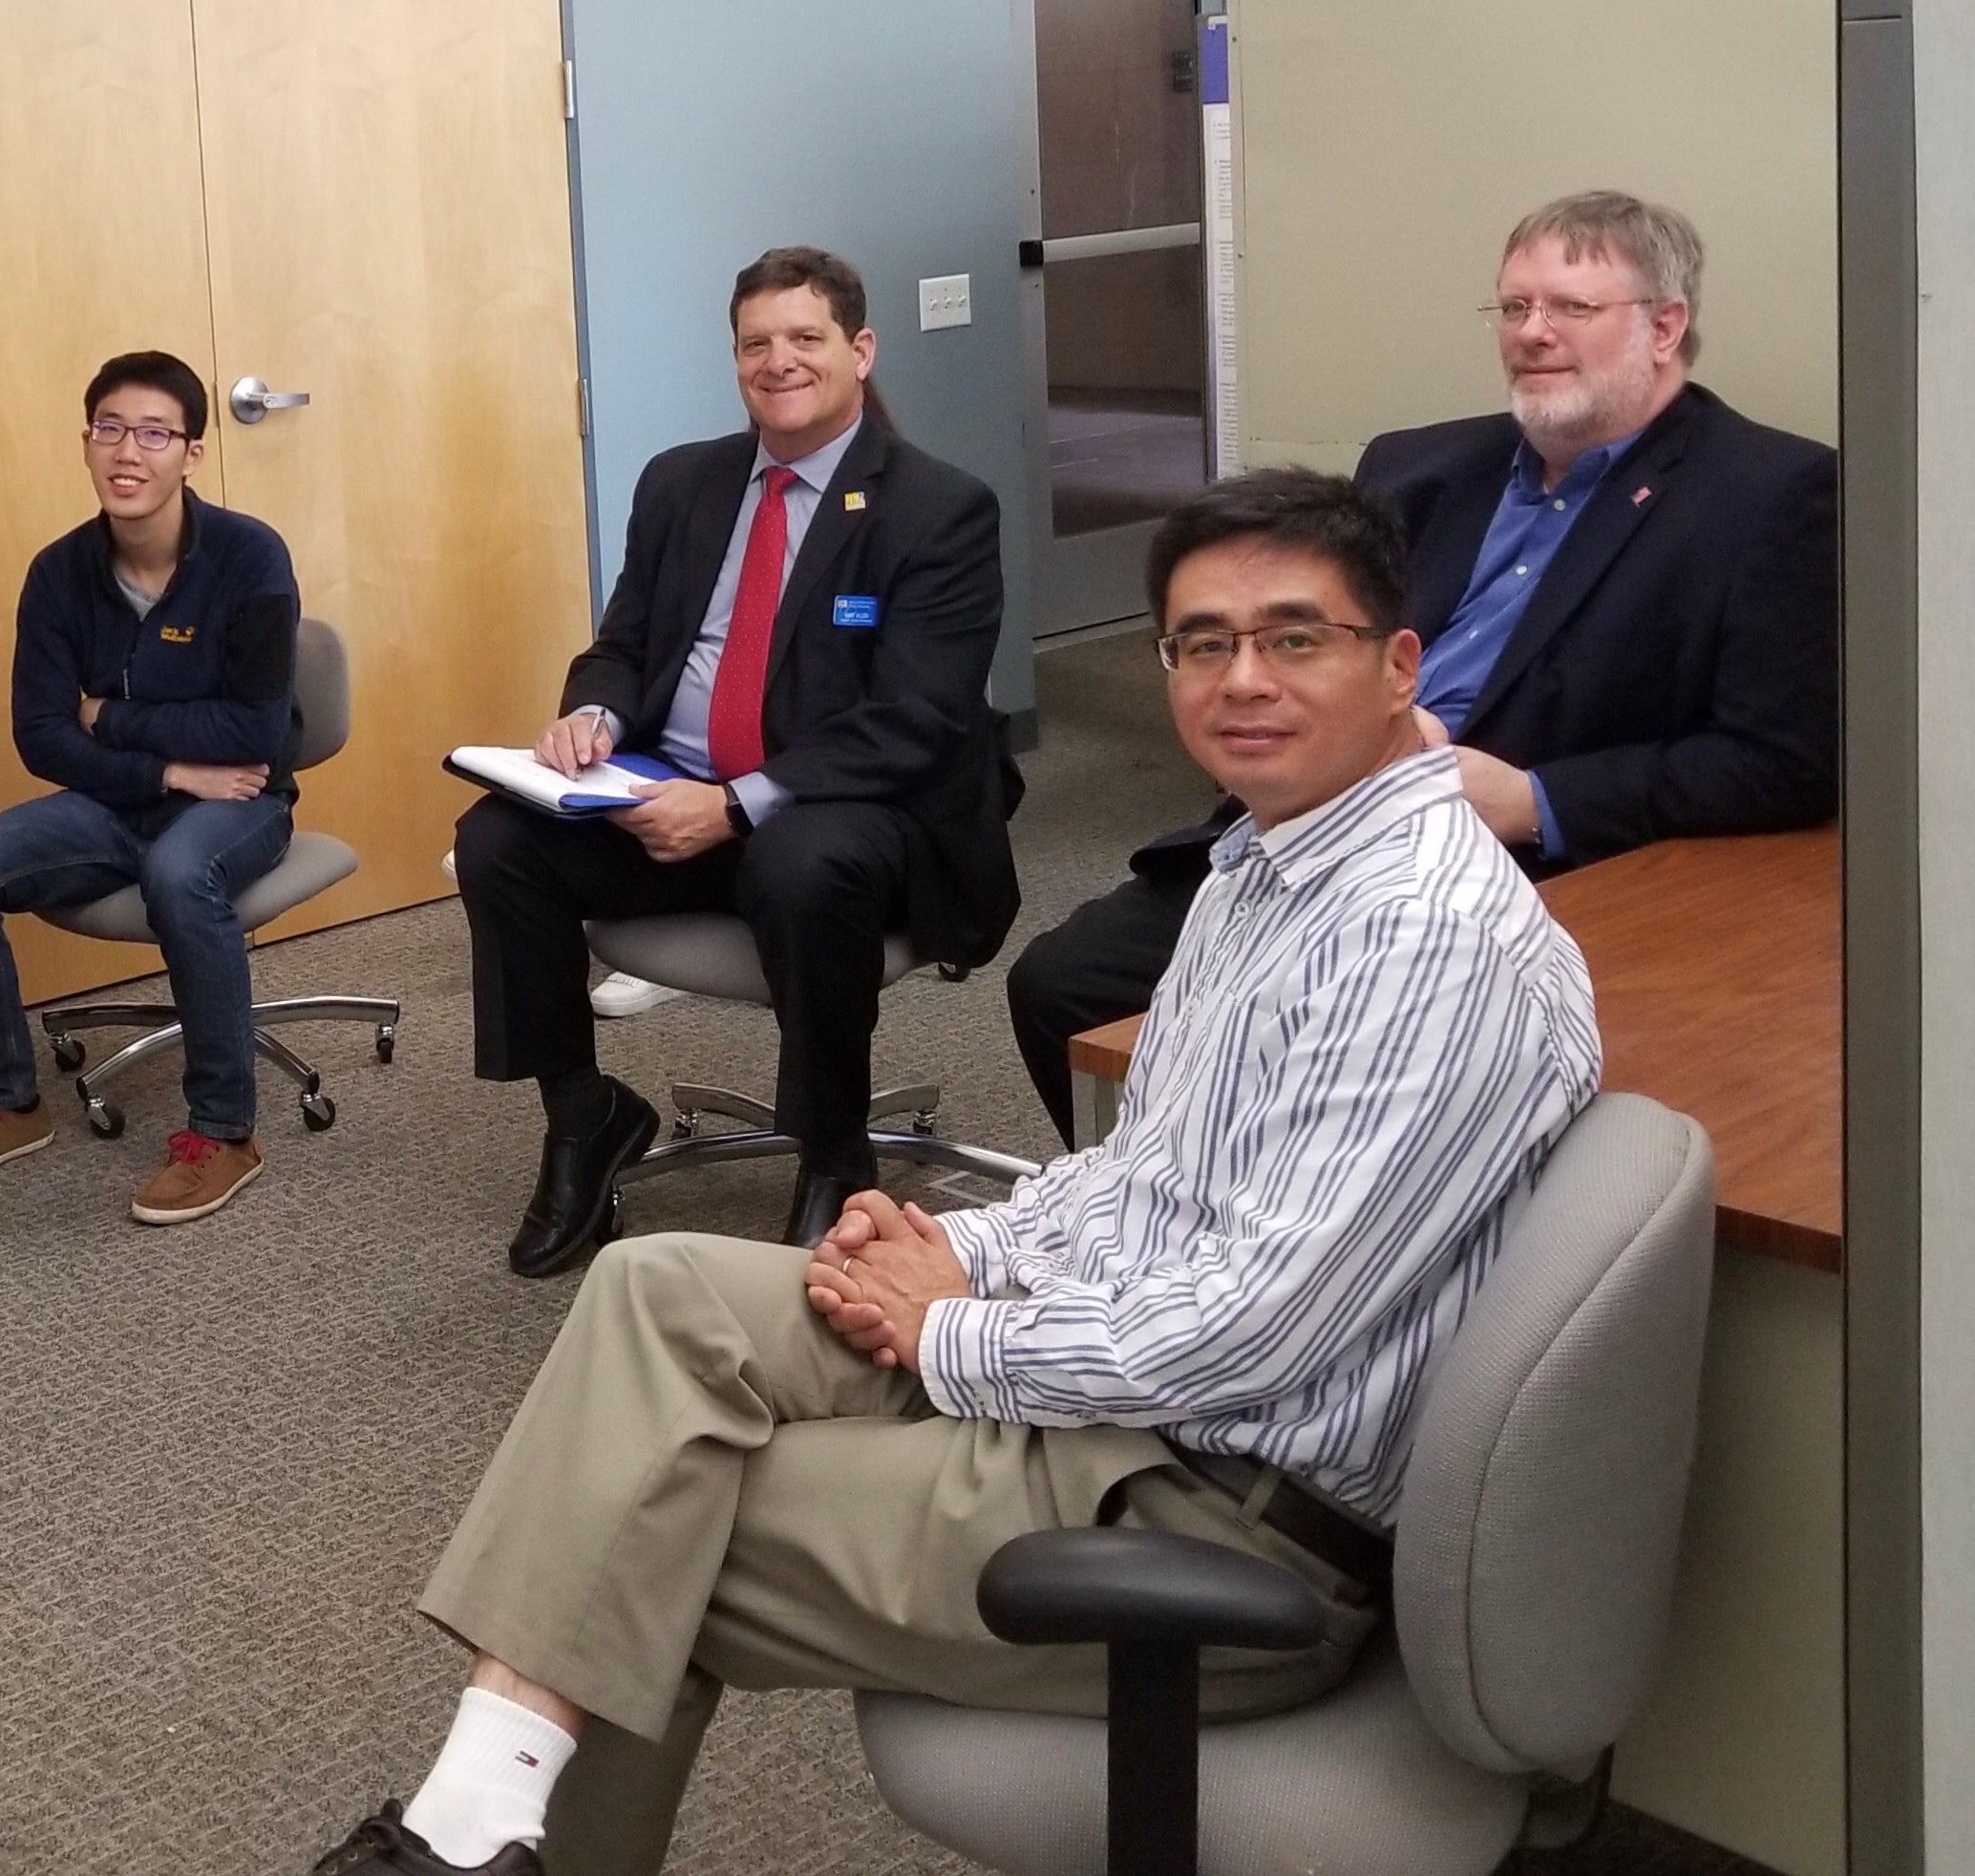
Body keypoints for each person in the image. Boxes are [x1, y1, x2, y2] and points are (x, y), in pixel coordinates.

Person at [306, 469, 1602, 1876]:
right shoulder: (1268, 863)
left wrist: (951, 1333)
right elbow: (1146, 1172)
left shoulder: (1422, 936)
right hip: (1131, 1397)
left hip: (1222, 1510)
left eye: (1295, 637)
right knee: (654, 1288)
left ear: (1398, 663)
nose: (1243, 678)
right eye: (1202, 642)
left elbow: (1255, 1329)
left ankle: (465, 1842)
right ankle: (473, 1829)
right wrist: (961, 1244)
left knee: (645, 1529)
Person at [1006, 191, 1837, 1143]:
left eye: (1570, 307)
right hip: (1314, 825)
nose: (1532, 332)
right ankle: (1181, 1196)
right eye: (1514, 306)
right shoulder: (1416, 467)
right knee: (1063, 985)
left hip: (1531, 867)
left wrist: (1532, 798)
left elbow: (1782, 763)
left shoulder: (1767, 494)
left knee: (1350, 1043)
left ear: (1664, 327)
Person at [456, 246, 1023, 1270]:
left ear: (860, 351)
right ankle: (584, 1116)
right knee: (500, 840)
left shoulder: (937, 508)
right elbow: (626, 644)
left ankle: (836, 1152)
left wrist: (734, 805)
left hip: (854, 812)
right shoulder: (683, 482)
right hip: (667, 791)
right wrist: (591, 715)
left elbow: (917, 720)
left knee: (802, 862)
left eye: (805, 337)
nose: (778, 361)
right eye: (755, 342)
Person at [0, 352, 302, 1226]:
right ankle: (6, 1103)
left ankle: (224, 1132)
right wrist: (165, 769)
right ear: (86, 443)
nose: (128, 452)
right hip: (123, 800)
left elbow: (254, 733)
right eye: (110, 429)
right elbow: (40, 735)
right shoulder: (58, 572)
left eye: (155, 434)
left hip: (240, 801)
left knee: (178, 873)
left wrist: (110, 717)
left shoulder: (249, 556)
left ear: (191, 454)